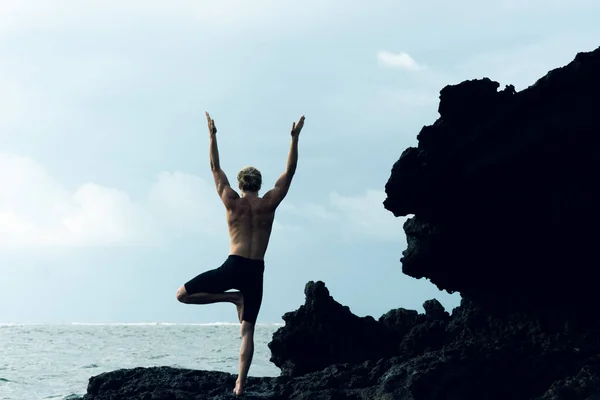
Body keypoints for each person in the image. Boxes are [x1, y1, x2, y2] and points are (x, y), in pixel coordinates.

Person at [176, 111, 305, 397]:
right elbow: (291, 172)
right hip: (255, 270)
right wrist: (294, 139)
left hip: (232, 266)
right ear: (259, 184)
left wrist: (212, 136)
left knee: (182, 295)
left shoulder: (231, 201)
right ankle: (240, 386)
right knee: (247, 331)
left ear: (240, 183)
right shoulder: (269, 202)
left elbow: (213, 167)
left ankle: (231, 297)